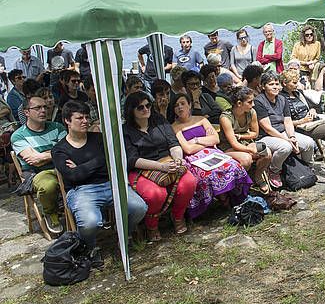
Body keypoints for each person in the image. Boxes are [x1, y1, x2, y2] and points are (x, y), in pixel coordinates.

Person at [52, 101, 147, 249]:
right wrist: (100, 161)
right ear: (67, 121)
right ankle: (88, 247)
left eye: (86, 117)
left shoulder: (99, 139)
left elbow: (113, 164)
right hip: (81, 190)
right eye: (79, 118)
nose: (85, 121)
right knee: (90, 222)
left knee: (139, 208)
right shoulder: (59, 149)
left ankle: (124, 231)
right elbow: (73, 176)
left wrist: (82, 167)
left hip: (110, 184)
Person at [122, 91, 197, 242]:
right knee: (155, 194)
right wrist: (160, 167)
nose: (146, 109)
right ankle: (152, 225)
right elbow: (132, 159)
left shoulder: (159, 120)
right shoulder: (125, 131)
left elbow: (173, 143)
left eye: (148, 105)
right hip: (142, 168)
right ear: (131, 111)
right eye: (140, 107)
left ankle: (177, 216)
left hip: (167, 161)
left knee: (189, 182)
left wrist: (178, 159)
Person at [170, 93, 252, 218]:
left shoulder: (202, 119)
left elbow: (215, 139)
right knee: (207, 174)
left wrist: (196, 140)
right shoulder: (174, 127)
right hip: (194, 159)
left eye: (183, 104)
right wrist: (206, 141)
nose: (180, 107)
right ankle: (223, 199)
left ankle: (234, 198)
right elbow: (187, 149)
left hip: (214, 153)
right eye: (176, 106)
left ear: (190, 105)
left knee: (233, 166)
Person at [11, 96, 67, 234]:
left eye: (45, 107)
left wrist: (42, 155)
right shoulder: (18, 136)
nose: (43, 110)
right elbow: (32, 160)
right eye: (37, 108)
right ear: (26, 112)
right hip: (36, 173)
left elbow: (67, 150)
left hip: (62, 167)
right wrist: (55, 152)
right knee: (48, 185)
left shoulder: (57, 127)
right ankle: (50, 212)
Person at [254, 72, 314, 188]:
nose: (275, 87)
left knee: (309, 143)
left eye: (277, 84)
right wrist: (288, 140)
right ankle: (274, 171)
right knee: (286, 147)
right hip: (266, 136)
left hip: (283, 132)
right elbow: (267, 128)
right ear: (263, 86)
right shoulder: (259, 101)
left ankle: (306, 169)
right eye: (271, 84)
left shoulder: (282, 99)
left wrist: (292, 136)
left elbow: (288, 121)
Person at [219, 86, 272, 192]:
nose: (253, 105)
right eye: (250, 102)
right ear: (239, 103)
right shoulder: (225, 118)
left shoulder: (252, 113)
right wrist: (250, 150)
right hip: (228, 147)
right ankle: (239, 186)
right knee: (246, 159)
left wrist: (241, 136)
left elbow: (255, 134)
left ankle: (257, 177)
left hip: (245, 142)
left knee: (267, 153)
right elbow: (234, 144)